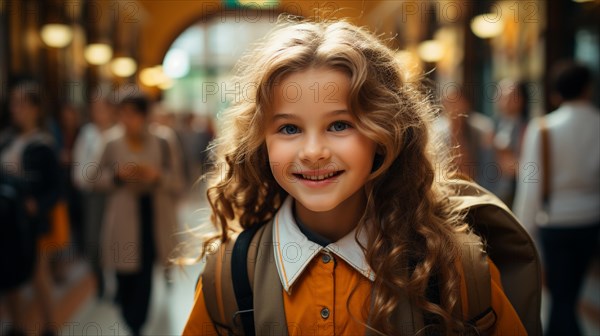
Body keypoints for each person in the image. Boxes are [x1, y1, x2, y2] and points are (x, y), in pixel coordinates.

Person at [182, 19, 527, 335]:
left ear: (383, 134)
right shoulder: (230, 275)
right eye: (289, 128)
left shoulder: (454, 266)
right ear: (260, 141)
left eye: (339, 125)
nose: (313, 151)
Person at [513, 61, 600, 336]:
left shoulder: (544, 129)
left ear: (556, 93)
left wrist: (522, 231)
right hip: (592, 220)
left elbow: (530, 184)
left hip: (555, 221)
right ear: (588, 89)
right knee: (571, 294)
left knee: (560, 297)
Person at [93, 93, 184, 336]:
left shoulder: (163, 140)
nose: (127, 119)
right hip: (123, 218)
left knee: (144, 273)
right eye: (122, 113)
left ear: (144, 116)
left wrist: (156, 177)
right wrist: (116, 176)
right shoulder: (111, 142)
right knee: (124, 274)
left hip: (152, 215)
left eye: (132, 114)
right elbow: (93, 178)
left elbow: (177, 180)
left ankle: (137, 325)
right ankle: (130, 317)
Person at [0, 81, 61, 336]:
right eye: (14, 104)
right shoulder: (6, 139)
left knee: (38, 275)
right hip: (6, 219)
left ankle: (50, 326)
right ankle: (17, 325)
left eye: (23, 104)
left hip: (31, 221)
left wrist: (38, 205)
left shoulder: (43, 143)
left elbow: (57, 188)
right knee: (7, 273)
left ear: (35, 109)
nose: (17, 109)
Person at [72, 89, 119, 298]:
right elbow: (79, 167)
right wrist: (90, 181)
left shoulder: (119, 132)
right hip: (93, 195)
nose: (98, 112)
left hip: (117, 194)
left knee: (117, 238)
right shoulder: (88, 134)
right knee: (93, 240)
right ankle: (100, 282)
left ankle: (119, 283)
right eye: (95, 109)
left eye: (102, 108)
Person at [438, 86, 495, 189]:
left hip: (479, 187)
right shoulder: (437, 130)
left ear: (466, 103)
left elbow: (487, 164)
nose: (452, 107)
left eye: (456, 101)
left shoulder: (483, 128)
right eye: (448, 102)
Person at [490, 79, 530, 206]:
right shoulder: (491, 125)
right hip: (493, 190)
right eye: (502, 95)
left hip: (518, 191)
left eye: (512, 95)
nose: (506, 100)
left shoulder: (529, 127)